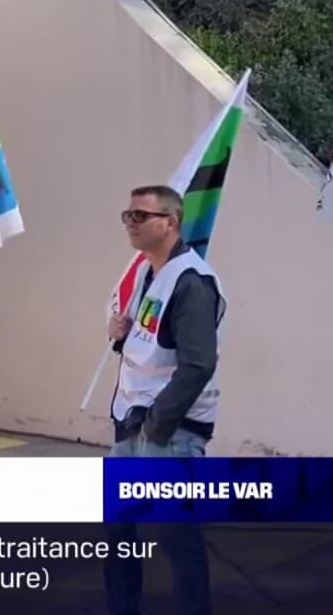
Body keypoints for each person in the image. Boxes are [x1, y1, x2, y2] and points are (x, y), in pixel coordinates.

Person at [104, 184, 224, 615]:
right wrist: (120, 337)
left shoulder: (192, 282)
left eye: (141, 216)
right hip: (131, 421)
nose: (131, 223)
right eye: (128, 215)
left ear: (170, 223)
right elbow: (149, 341)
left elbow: (197, 364)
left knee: (176, 536)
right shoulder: (147, 273)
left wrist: (158, 423)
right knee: (117, 530)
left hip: (169, 430)